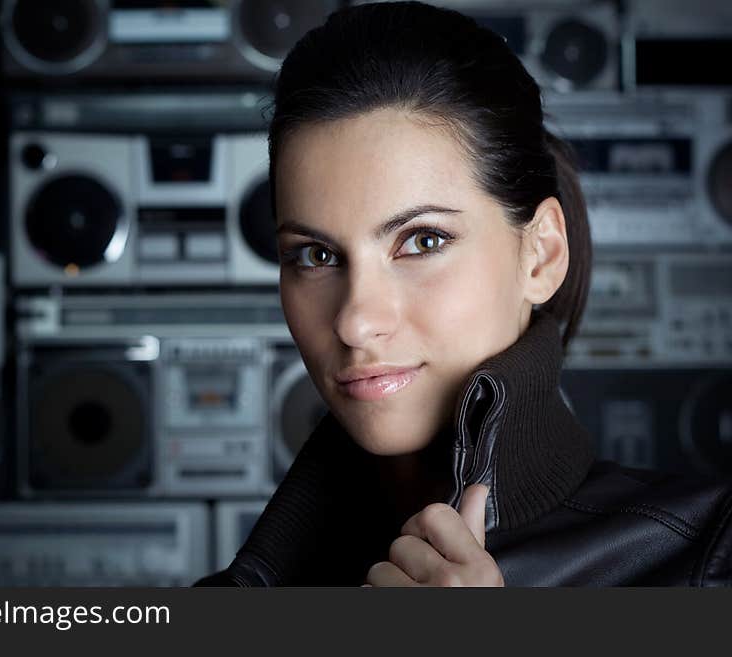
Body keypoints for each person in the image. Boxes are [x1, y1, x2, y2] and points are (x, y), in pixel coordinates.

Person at [195, 1, 732, 586]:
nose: (354, 322)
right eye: (316, 256)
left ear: (543, 254)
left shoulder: (709, 557)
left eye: (422, 241)